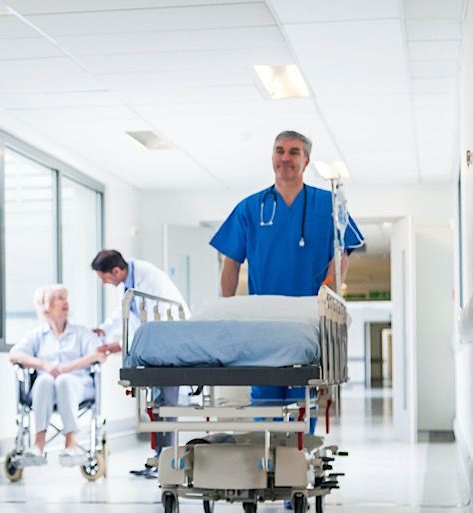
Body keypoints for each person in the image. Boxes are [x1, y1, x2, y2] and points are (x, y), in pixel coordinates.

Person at [210, 130, 364, 480]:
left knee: (301, 402)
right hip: (264, 323)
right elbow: (230, 263)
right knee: (265, 403)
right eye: (279, 151)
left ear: (306, 161)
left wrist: (327, 295)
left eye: (294, 152)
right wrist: (226, 311)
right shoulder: (251, 207)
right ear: (272, 158)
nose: (285, 158)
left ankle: (295, 470)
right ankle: (266, 470)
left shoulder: (329, 205)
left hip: (306, 321)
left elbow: (342, 255)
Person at [91, 250, 189, 479]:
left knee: (166, 406)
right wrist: (104, 330)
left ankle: (166, 461)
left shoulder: (149, 280)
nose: (105, 283)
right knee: (158, 406)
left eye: (105, 278)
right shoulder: (130, 281)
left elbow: (151, 322)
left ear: (116, 271)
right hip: (157, 347)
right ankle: (159, 458)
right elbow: (126, 311)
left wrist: (120, 346)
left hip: (170, 345)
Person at [8, 285, 109, 465]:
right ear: (46, 305)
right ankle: (38, 444)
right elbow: (14, 354)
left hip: (77, 386)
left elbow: (100, 354)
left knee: (64, 380)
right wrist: (44, 365)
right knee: (44, 380)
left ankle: (71, 443)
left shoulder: (81, 333)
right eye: (60, 298)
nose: (66, 302)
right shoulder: (38, 335)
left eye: (66, 298)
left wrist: (68, 367)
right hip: (45, 391)